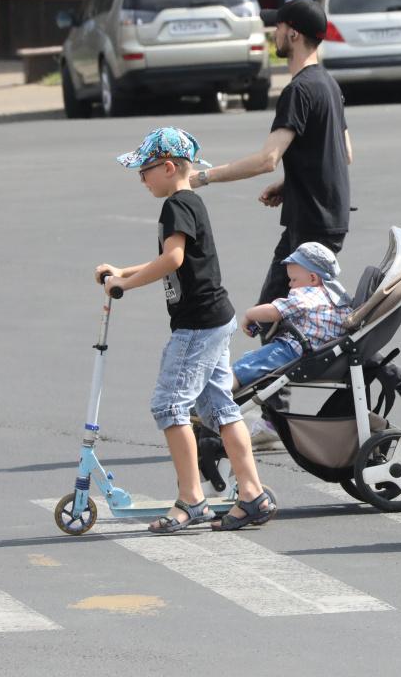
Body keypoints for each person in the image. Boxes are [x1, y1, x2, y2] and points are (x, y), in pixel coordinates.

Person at [95, 127, 276, 533]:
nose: (142, 179)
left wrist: (125, 284)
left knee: (169, 405)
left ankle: (192, 499)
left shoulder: (176, 205)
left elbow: (173, 259)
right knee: (218, 408)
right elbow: (173, 257)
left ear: (169, 167)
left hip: (197, 325)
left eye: (145, 170)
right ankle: (252, 494)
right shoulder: (189, 203)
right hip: (214, 318)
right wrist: (124, 270)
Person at [190, 0, 352, 447]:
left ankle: (271, 421)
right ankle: (271, 416)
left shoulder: (300, 89)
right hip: (326, 217)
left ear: (293, 34)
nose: (272, 35)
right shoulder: (329, 85)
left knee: (276, 319)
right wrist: (292, 183)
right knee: (285, 321)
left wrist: (202, 176)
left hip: (311, 226)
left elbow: (266, 158)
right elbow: (342, 153)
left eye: (277, 28)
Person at [230, 242, 353, 390]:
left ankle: (217, 398)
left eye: (294, 279)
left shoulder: (309, 294)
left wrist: (250, 313)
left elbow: (274, 311)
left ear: (313, 278)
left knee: (243, 368)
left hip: (296, 351)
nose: (290, 284)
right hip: (324, 355)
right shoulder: (339, 298)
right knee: (255, 360)